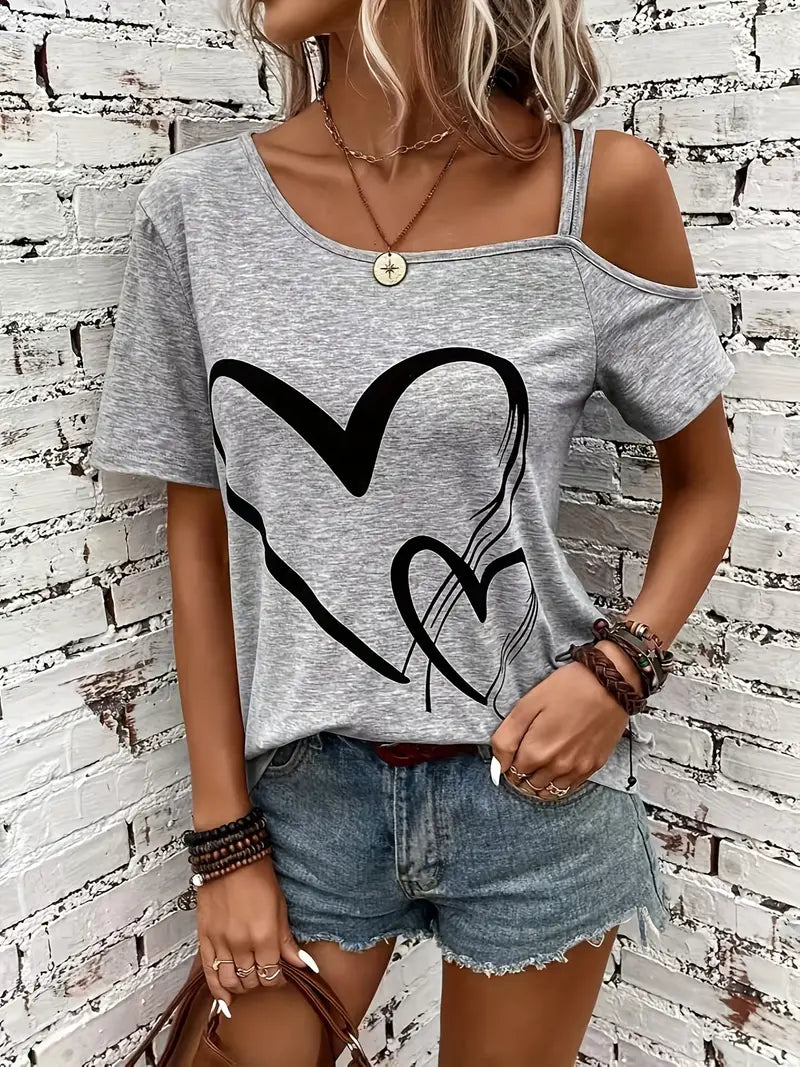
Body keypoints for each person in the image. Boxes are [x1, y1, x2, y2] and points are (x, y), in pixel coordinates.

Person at [89, 1, 741, 1063]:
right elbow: (197, 528)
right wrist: (224, 841)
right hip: (304, 800)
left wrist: (618, 667)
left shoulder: (596, 189)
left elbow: (707, 486)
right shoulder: (199, 208)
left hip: (532, 795)